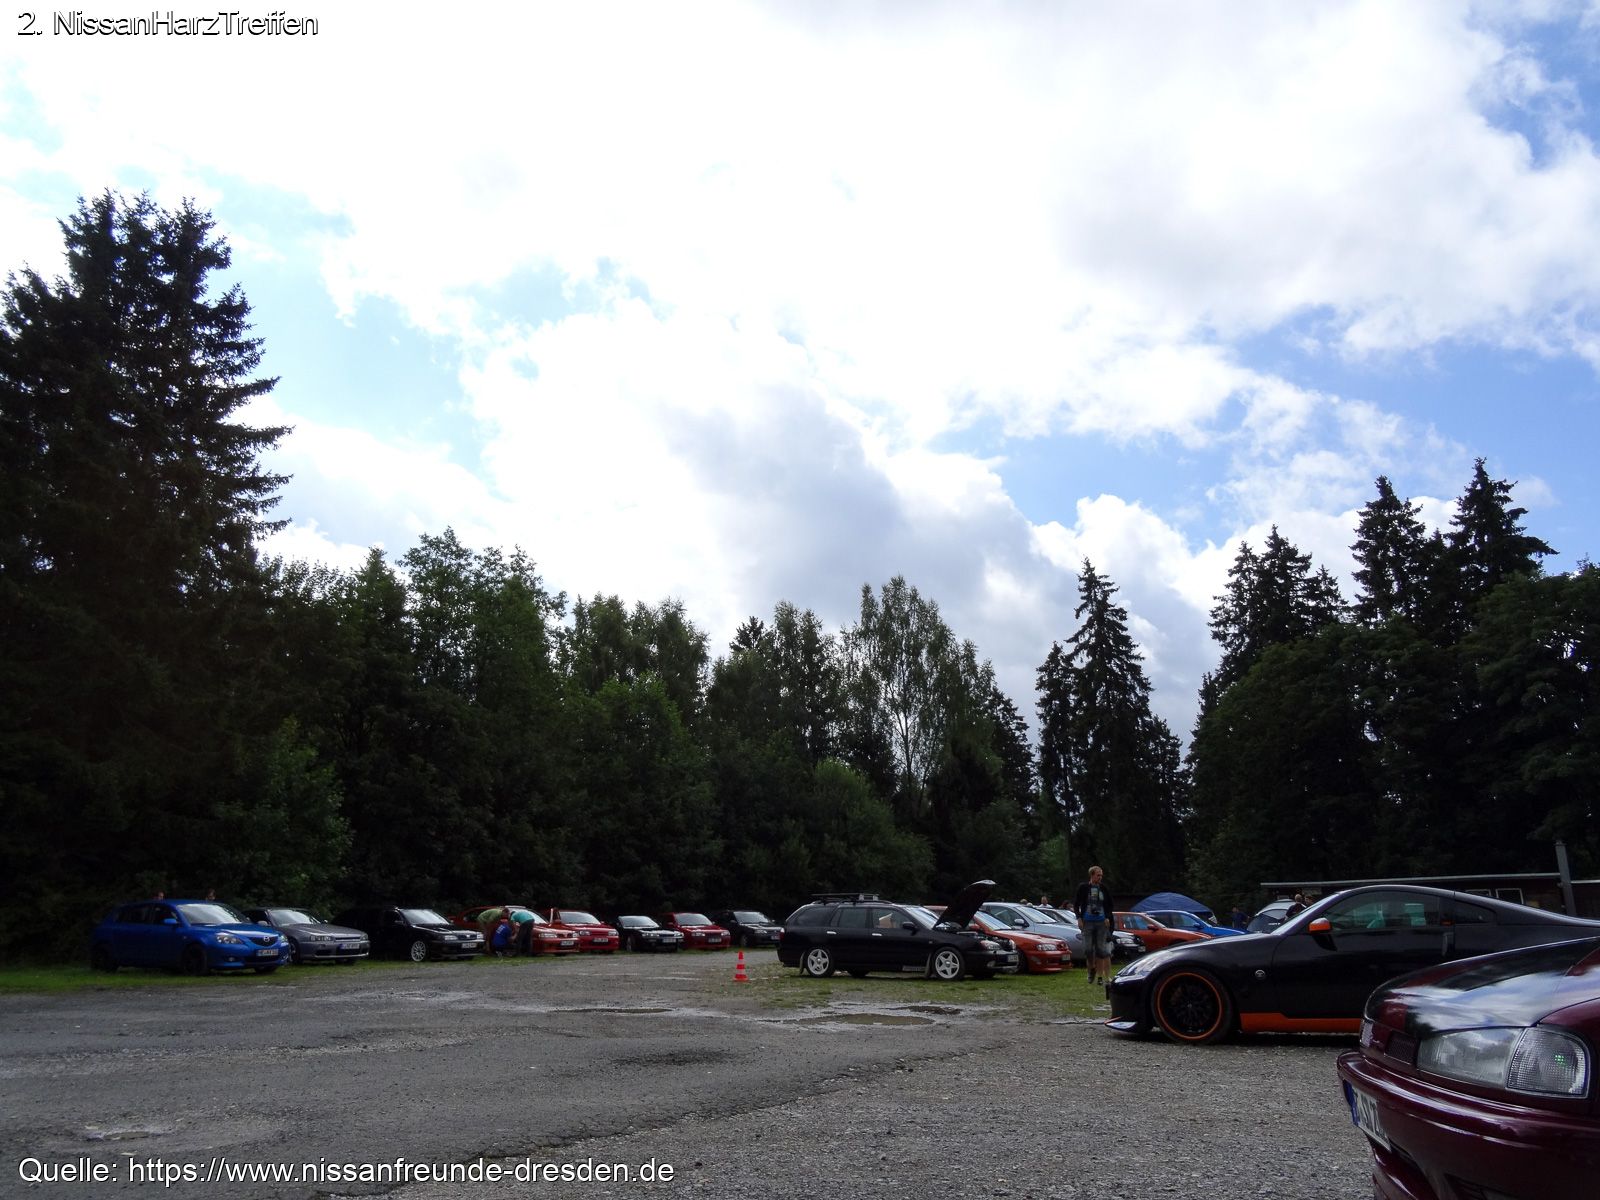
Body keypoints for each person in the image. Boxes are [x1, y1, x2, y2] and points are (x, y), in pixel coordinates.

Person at [1074, 865, 1113, 986]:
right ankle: (1091, 969)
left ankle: (1101, 975)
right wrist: (1079, 918)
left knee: (1101, 950)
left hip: (1101, 922)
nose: (1100, 877)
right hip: (1087, 922)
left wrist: (1107, 917)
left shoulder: (1103, 888)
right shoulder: (1083, 887)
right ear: (1091, 875)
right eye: (1098, 875)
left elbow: (1110, 905)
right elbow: (1076, 904)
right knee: (1087, 949)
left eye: (1101, 875)